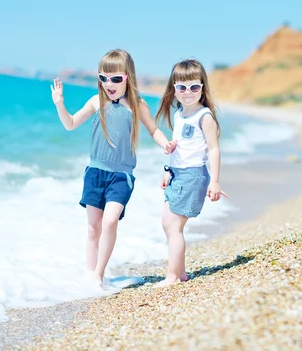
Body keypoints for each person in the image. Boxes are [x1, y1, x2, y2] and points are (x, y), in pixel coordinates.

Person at [51, 49, 176, 290]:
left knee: (110, 222)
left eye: (116, 79)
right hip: (95, 173)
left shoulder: (137, 105)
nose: (109, 84)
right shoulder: (96, 101)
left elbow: (153, 130)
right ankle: (90, 274)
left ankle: (98, 274)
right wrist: (60, 104)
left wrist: (166, 144)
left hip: (121, 177)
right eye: (103, 78)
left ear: (128, 77)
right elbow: (70, 124)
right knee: (92, 228)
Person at [154, 59, 228, 288]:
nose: (188, 92)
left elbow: (214, 149)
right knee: (169, 224)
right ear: (174, 89)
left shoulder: (203, 116)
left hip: (193, 175)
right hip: (178, 174)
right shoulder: (179, 115)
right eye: (181, 87)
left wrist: (214, 181)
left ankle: (173, 276)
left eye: (194, 87)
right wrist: (169, 171)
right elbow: (182, 149)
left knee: (173, 225)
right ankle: (181, 273)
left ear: (202, 87)